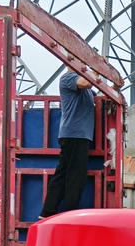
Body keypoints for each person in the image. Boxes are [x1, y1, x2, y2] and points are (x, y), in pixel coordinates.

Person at [39, 71, 96, 217]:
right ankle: (68, 214)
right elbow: (86, 82)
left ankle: (48, 212)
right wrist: (96, 69)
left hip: (78, 135)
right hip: (74, 134)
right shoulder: (68, 78)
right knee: (76, 178)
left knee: (65, 174)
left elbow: (97, 90)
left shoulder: (88, 90)